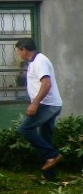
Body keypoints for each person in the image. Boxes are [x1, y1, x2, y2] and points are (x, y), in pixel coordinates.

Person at [14, 37, 62, 176]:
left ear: (24, 50)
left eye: (19, 51)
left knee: (24, 129)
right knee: (46, 138)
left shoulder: (40, 61)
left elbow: (46, 84)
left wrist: (35, 103)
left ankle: (53, 154)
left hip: (46, 105)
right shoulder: (35, 61)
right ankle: (50, 176)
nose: (18, 54)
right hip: (51, 104)